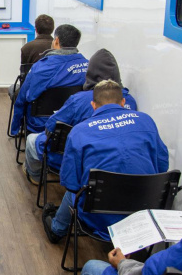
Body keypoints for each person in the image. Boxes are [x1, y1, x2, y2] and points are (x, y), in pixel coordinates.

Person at [42, 80, 168, 243]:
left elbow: (70, 183)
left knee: (75, 191)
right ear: (123, 102)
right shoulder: (146, 121)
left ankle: (57, 229)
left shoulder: (80, 131)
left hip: (98, 219)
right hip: (143, 214)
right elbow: (162, 165)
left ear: (93, 105)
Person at [24, 48, 138, 184]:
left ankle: (35, 178)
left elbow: (51, 125)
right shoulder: (130, 101)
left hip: (76, 159)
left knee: (31, 140)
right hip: (117, 165)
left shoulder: (78, 100)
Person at [8, 24, 89, 137]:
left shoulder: (41, 68)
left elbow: (23, 99)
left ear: (56, 41)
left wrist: (15, 128)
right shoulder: (88, 66)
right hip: (74, 122)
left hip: (41, 124)